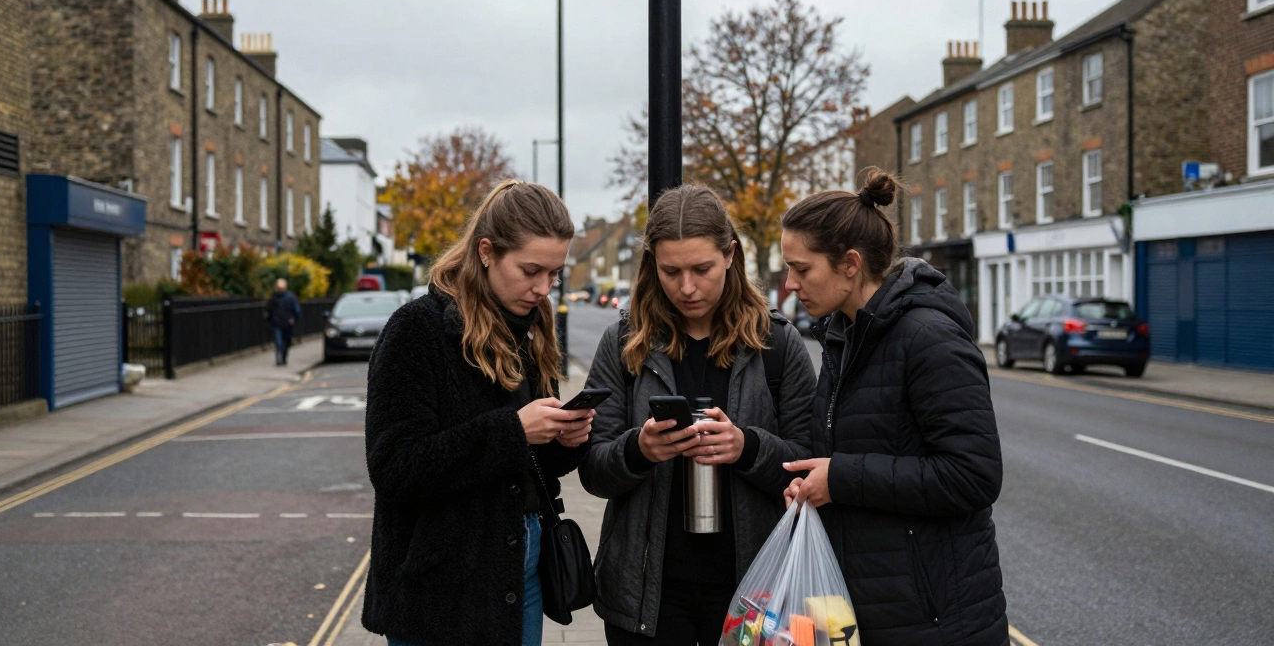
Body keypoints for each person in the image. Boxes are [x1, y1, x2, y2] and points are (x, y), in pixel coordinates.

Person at [779, 168, 1009, 646]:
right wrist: (812, 487)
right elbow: (856, 451)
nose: (789, 284)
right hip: (870, 611)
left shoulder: (929, 339)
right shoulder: (844, 336)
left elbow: (973, 476)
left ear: (850, 263)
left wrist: (840, 478)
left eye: (801, 269)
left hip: (938, 621)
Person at [579, 184, 816, 646]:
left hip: (753, 589)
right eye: (671, 271)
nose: (687, 287)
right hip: (647, 592)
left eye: (702, 269)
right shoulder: (624, 342)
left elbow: (810, 460)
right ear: (652, 265)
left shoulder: (777, 343)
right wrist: (638, 450)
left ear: (730, 254)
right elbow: (592, 469)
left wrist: (746, 447)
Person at [361, 181, 596, 646]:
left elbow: (527, 466)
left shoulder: (528, 329)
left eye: (554, 273)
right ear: (486, 251)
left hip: (518, 573)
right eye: (530, 270)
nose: (543, 288)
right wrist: (514, 431)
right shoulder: (417, 329)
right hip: (440, 588)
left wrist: (563, 441)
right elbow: (393, 465)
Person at [266, 278, 301, 366]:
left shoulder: (290, 297)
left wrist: (294, 318)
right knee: (279, 341)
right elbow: (269, 309)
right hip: (277, 323)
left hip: (287, 323)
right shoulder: (273, 297)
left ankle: (283, 356)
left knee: (287, 341)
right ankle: (279, 356)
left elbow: (296, 310)